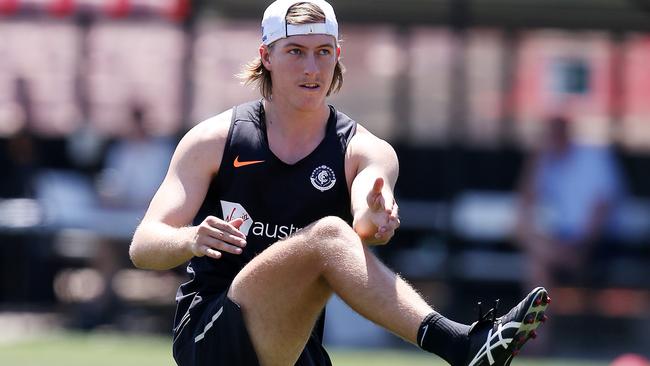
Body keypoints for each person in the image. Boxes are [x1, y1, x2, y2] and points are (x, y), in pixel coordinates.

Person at [129, 1, 550, 365]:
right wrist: (191, 240)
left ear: (337, 56)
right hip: (211, 334)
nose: (312, 68)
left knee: (335, 236)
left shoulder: (364, 148)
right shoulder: (215, 139)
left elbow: (367, 212)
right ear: (267, 55)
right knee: (330, 234)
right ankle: (458, 345)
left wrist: (375, 217)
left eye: (323, 52)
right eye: (296, 51)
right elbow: (144, 245)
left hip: (296, 347)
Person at [515, 115, 626, 290]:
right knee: (536, 259)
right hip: (561, 240)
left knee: (538, 261)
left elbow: (602, 208)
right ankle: (560, 258)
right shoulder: (547, 162)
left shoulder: (593, 157)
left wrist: (581, 242)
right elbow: (525, 202)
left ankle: (535, 315)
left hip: (595, 241)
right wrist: (535, 160)